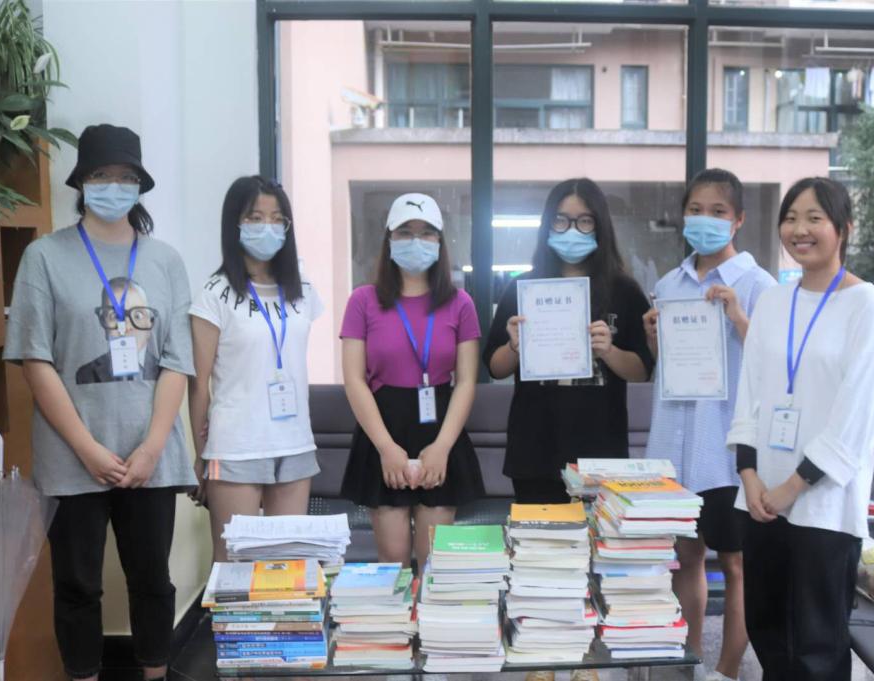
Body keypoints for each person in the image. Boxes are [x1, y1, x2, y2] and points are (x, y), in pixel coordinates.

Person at [3, 124, 195, 681]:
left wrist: (153, 446)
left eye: (125, 176)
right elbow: (35, 360)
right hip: (71, 457)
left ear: (140, 186)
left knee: (153, 581)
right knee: (77, 585)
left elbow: (176, 361)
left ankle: (155, 674)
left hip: (150, 457)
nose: (114, 185)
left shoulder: (165, 261)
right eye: (102, 175)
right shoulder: (44, 256)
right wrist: (87, 449)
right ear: (82, 182)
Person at [728, 177, 874, 680]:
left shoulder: (867, 305)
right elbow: (750, 391)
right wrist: (750, 476)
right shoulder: (774, 301)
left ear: (844, 228)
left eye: (814, 218)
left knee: (816, 646)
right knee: (767, 630)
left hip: (823, 505)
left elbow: (856, 415)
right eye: (791, 218)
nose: (800, 229)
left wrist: (792, 488)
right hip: (761, 498)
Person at [642, 169, 775, 681]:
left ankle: (727, 670)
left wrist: (739, 316)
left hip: (726, 450)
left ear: (738, 220)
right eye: (695, 210)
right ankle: (691, 658)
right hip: (675, 446)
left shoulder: (758, 285)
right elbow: (669, 371)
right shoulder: (668, 285)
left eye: (718, 211)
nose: (705, 220)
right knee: (686, 555)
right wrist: (654, 340)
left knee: (737, 564)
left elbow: (775, 365)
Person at [484, 177, 654, 505]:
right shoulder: (524, 288)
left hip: (601, 453)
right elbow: (495, 366)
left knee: (599, 538)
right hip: (535, 451)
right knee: (539, 537)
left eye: (584, 221)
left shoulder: (624, 291)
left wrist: (609, 351)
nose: (572, 230)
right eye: (561, 220)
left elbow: (642, 370)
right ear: (548, 225)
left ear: (600, 226)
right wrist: (514, 346)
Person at [339, 193, 484, 573]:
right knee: (393, 561)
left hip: (441, 430)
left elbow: (466, 381)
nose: (416, 241)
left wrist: (443, 447)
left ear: (440, 241)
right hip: (383, 430)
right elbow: (354, 380)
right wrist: (386, 447)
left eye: (426, 232)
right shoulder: (363, 301)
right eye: (405, 232)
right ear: (389, 239)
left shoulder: (460, 303)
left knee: (435, 562)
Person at [188, 176, 322, 561]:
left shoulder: (302, 290)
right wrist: (200, 454)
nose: (268, 227)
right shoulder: (215, 293)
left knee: (287, 566)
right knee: (234, 563)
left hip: (295, 442)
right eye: (255, 217)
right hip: (236, 445)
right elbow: (199, 384)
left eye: (277, 219)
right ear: (235, 223)